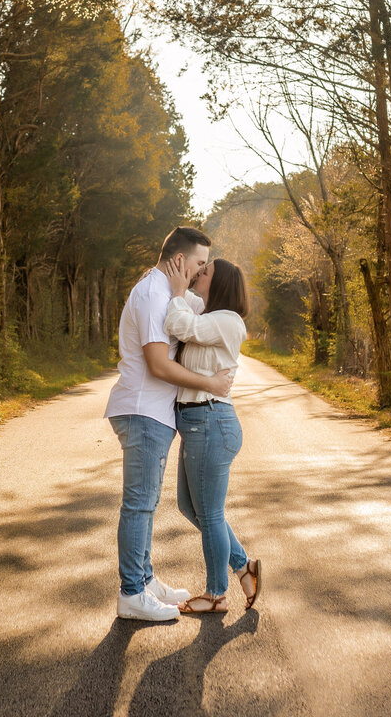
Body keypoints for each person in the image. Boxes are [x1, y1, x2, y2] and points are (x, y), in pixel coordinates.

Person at [105, 227, 235, 622]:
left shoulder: (169, 292)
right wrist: (210, 383)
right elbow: (158, 364)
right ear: (179, 260)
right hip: (143, 411)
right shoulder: (151, 293)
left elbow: (207, 313)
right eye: (197, 264)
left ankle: (144, 580)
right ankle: (131, 594)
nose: (199, 273)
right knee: (140, 505)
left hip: (155, 415)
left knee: (146, 504)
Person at [164, 258, 260, 614]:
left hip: (210, 422)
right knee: (192, 508)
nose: (198, 275)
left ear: (219, 285)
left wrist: (175, 291)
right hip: (197, 424)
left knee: (211, 513)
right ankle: (243, 566)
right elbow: (186, 316)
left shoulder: (228, 321)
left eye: (205, 273)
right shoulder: (211, 317)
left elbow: (179, 324)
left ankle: (216, 594)